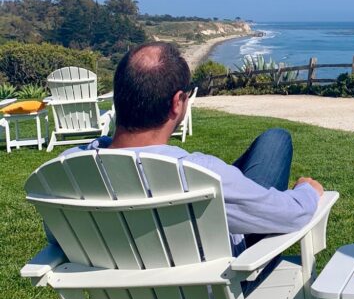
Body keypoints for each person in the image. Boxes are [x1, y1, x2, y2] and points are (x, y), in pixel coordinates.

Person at [63, 42, 324, 256]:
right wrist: (307, 191)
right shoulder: (199, 174)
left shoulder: (70, 168)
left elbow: (60, 238)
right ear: (177, 103)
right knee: (276, 140)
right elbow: (291, 215)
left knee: (271, 143)